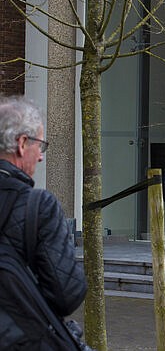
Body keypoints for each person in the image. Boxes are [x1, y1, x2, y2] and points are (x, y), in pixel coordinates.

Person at [0, 96, 87, 347]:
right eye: (40, 145)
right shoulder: (37, 207)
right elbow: (67, 294)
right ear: (22, 143)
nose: (40, 157)